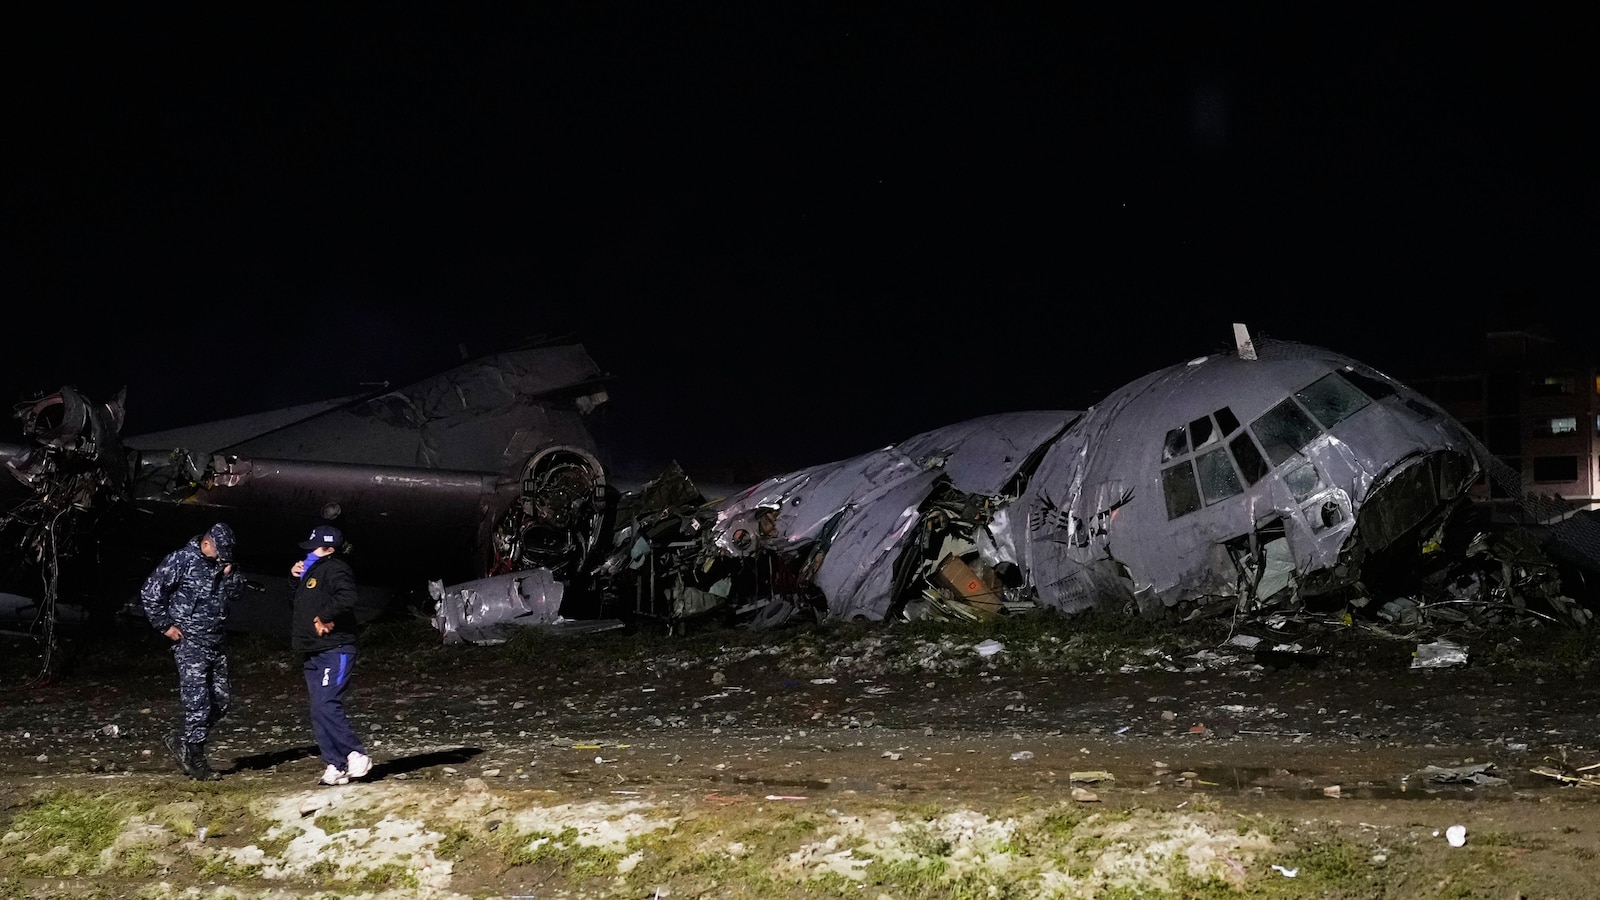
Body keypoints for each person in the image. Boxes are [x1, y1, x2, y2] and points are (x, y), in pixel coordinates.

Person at [141, 522, 243, 781]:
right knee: (197, 703)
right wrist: (165, 626)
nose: (223, 556)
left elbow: (237, 593)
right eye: (220, 551)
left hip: (216, 641)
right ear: (207, 543)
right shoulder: (182, 559)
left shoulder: (224, 561)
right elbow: (151, 591)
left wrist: (230, 573)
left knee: (221, 701)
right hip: (191, 643)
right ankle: (195, 758)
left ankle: (183, 740)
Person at [290, 523, 373, 786]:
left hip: (335, 648)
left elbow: (348, 596)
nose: (308, 551)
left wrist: (324, 616)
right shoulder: (312, 569)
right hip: (312, 650)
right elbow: (299, 602)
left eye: (313, 547)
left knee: (327, 702)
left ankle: (355, 753)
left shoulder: (336, 568)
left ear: (327, 548)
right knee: (317, 708)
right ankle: (334, 764)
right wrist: (295, 578)